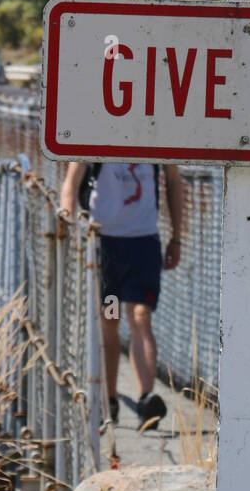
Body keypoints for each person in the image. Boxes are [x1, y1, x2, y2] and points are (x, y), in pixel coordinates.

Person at [59, 162, 183, 429]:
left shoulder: (156, 134)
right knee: (110, 318)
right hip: (106, 245)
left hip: (143, 244)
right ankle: (110, 398)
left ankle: (146, 399)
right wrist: (68, 226)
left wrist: (177, 237)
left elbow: (173, 181)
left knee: (141, 315)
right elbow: (71, 181)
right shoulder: (97, 130)